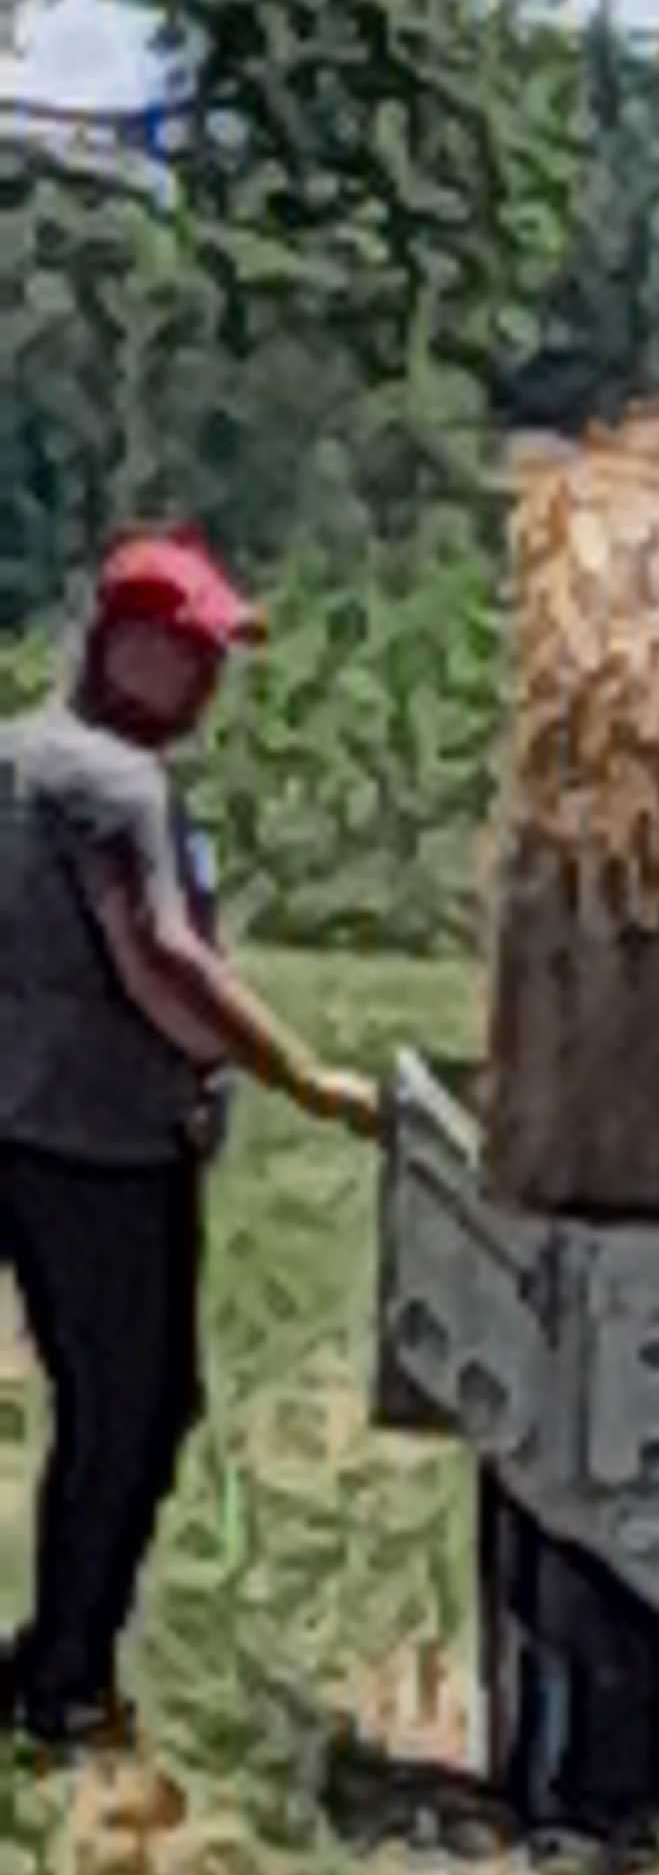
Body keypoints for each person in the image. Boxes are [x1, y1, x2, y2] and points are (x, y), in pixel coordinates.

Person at [0, 526, 383, 1757]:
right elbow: (162, 963)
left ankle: (49, 1665)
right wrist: (300, 1074)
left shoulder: (15, 759)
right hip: (100, 1145)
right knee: (137, 1411)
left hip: (15, 1122)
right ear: (118, 646)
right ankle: (64, 1682)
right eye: (190, 652)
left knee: (100, 1406)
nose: (212, 679)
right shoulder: (115, 787)